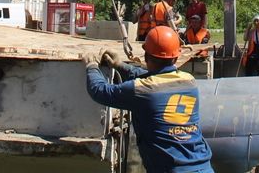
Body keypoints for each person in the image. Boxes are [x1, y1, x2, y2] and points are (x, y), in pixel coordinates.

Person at [84, 27, 214, 173]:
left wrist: (92, 66)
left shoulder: (141, 90)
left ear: (146, 56)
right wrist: (120, 66)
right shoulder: (189, 82)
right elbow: (153, 78)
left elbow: (99, 91)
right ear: (176, 58)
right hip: (203, 168)